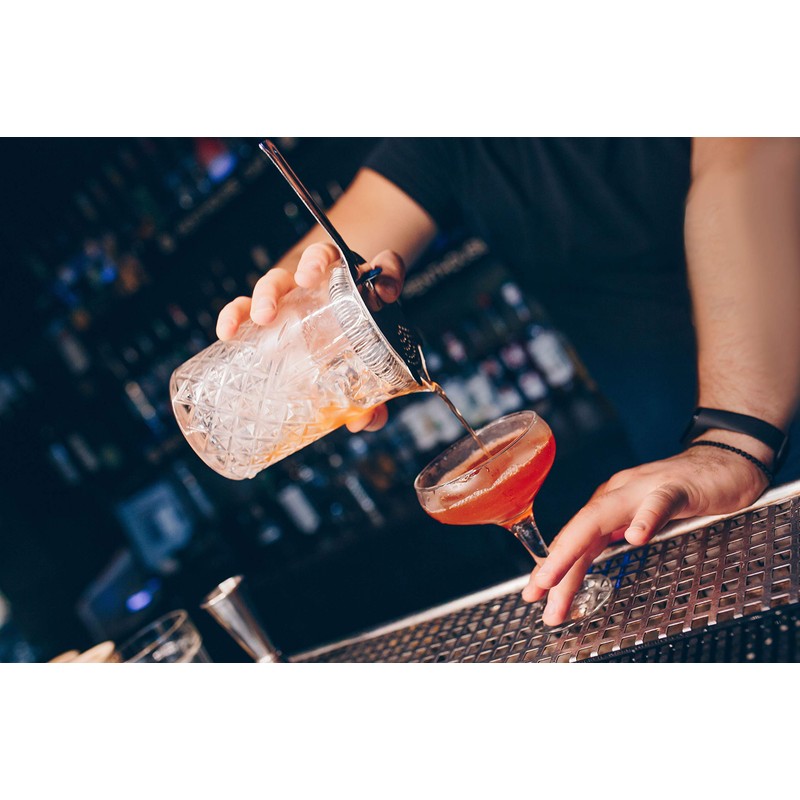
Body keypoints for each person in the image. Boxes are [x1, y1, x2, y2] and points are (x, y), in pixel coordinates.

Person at [216, 138, 800, 626]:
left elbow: (748, 176)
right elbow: (333, 252)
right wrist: (295, 316)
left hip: (741, 434)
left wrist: (730, 439)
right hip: (671, 480)